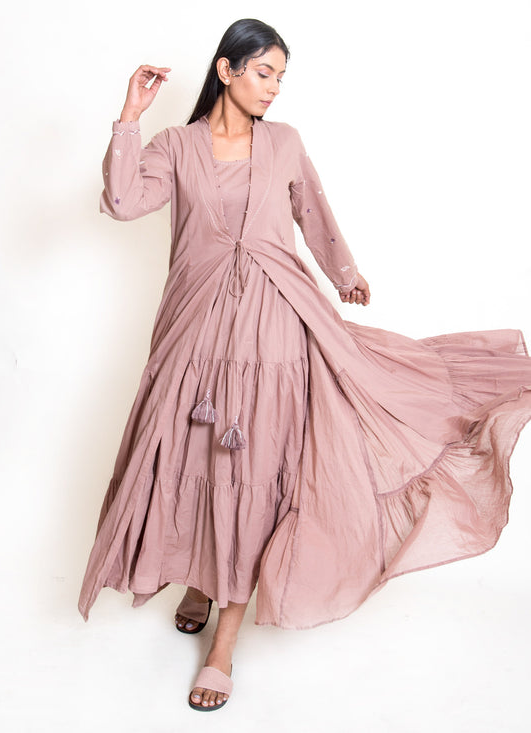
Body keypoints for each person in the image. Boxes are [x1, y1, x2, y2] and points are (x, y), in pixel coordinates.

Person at [78, 18, 531, 712]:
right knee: (197, 456)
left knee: (256, 469)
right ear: (226, 70)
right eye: (264, 72)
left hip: (276, 329)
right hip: (195, 332)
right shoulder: (175, 145)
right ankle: (200, 577)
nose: (274, 88)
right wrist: (130, 118)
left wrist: (344, 273)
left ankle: (224, 645)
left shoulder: (284, 142)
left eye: (281, 77)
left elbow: (313, 212)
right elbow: (122, 201)